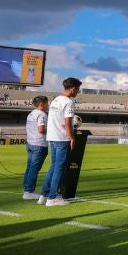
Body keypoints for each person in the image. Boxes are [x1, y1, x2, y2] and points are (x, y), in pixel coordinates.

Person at [38, 77, 81, 205]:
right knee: (59, 168)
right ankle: (52, 197)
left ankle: (44, 195)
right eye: (78, 89)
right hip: (62, 138)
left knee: (54, 166)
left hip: (52, 136)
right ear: (73, 88)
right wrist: (72, 138)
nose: (78, 92)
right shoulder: (68, 102)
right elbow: (67, 122)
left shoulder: (56, 100)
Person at [21, 96, 49, 199]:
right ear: (42, 104)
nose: (48, 105)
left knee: (30, 167)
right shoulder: (41, 114)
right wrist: (51, 131)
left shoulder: (31, 114)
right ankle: (29, 191)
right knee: (34, 169)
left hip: (30, 143)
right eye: (47, 103)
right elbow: (41, 129)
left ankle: (26, 189)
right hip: (39, 144)